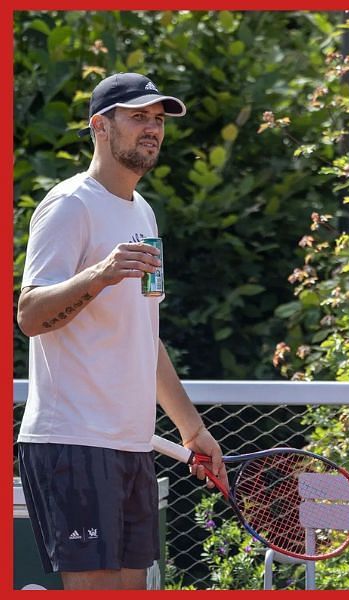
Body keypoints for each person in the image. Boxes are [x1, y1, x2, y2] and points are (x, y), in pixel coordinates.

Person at [16, 72, 227, 589]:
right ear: (100, 127)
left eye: (157, 120)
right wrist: (100, 273)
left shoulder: (145, 215)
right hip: (74, 440)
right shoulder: (69, 205)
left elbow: (143, 334)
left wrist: (191, 428)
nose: (151, 129)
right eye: (138, 117)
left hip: (131, 445)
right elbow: (29, 315)